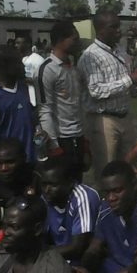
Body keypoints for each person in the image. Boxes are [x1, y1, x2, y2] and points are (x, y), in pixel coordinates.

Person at [77, 12, 137, 178]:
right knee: (106, 169)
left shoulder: (120, 51)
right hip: (104, 120)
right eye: (113, 27)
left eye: (119, 26)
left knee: (129, 166)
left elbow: (124, 86)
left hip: (125, 116)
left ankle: (129, 202)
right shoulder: (90, 56)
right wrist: (130, 79)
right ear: (100, 29)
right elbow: (96, 91)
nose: (119, 31)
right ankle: (106, 202)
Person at [80, 161, 137, 273]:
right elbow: (95, 247)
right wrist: (84, 267)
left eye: (117, 191)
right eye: (107, 192)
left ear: (135, 185)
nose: (111, 198)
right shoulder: (105, 207)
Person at [36, 20, 88, 179]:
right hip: (61, 139)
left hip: (78, 135)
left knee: (78, 180)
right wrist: (54, 144)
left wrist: (85, 138)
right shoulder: (48, 69)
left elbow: (79, 104)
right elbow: (45, 110)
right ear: (60, 40)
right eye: (74, 38)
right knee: (62, 184)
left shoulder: (73, 68)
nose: (78, 42)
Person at [38, 156, 100, 264]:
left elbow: (77, 248)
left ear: (70, 182)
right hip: (57, 257)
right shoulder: (45, 199)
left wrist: (39, 255)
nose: (47, 190)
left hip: (83, 260)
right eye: (44, 184)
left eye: (53, 185)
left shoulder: (83, 197)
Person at [14, 34, 44, 107]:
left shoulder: (38, 60)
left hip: (35, 103)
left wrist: (27, 80)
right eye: (15, 43)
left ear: (28, 44)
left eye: (18, 43)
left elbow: (44, 81)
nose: (15, 45)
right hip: (23, 102)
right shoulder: (20, 59)